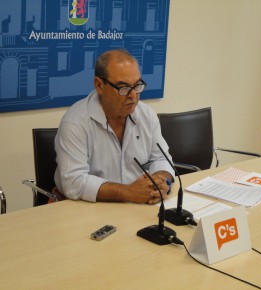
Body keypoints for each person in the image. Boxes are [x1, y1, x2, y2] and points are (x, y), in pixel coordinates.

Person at [54, 49, 174, 205]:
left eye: (137, 86)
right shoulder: (75, 123)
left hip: (139, 204)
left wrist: (161, 182)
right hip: (89, 207)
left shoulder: (146, 115)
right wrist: (128, 192)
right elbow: (73, 182)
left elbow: (160, 158)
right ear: (99, 85)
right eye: (123, 88)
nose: (133, 96)